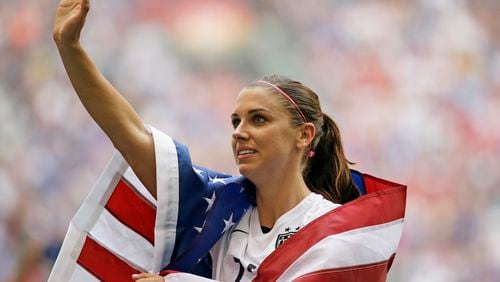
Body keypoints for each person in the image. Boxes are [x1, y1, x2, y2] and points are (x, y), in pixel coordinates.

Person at [51, 0, 406, 281]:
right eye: (235, 121)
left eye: (259, 119)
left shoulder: (335, 232)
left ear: (304, 135)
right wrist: (70, 48)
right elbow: (130, 135)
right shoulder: (220, 204)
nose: (239, 131)